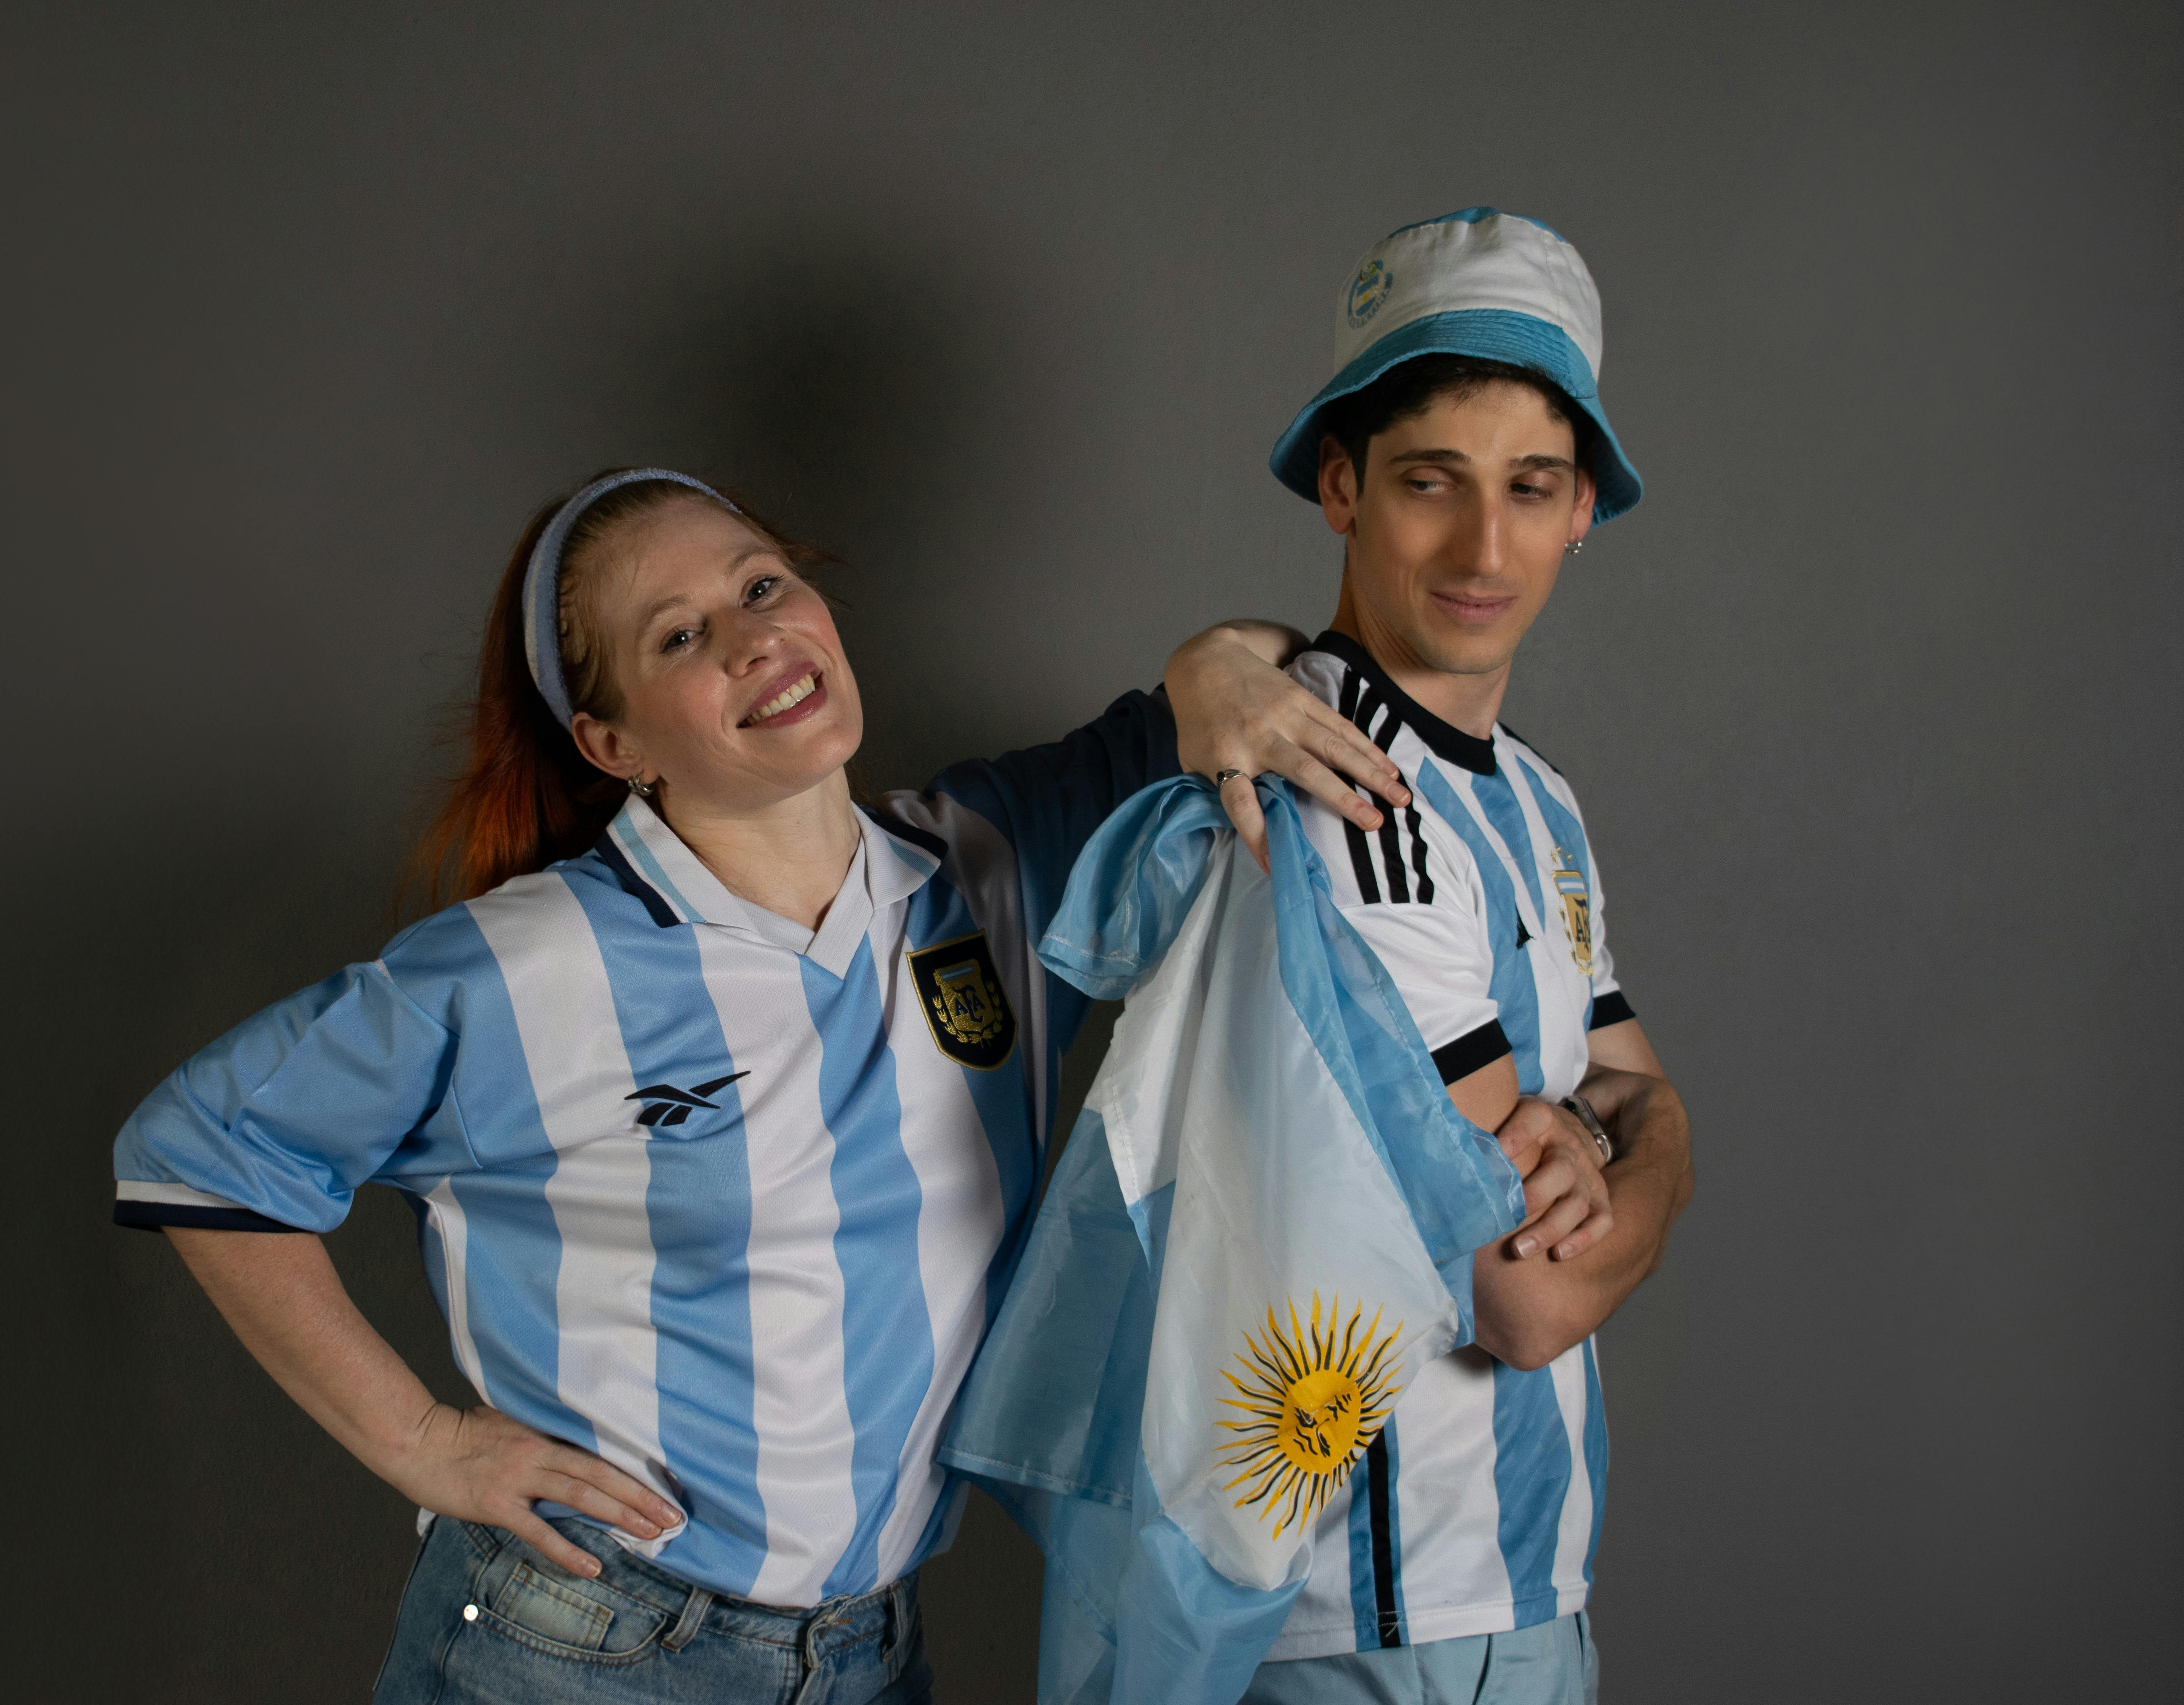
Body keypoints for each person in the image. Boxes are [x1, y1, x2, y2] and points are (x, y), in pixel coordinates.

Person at [109, 465, 1413, 1705]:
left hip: (867, 1652)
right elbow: (201, 1150)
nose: (749, 640)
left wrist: (1221, 661)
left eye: (761, 587)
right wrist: (424, 1443)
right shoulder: (527, 967)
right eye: (676, 637)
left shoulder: (992, 861)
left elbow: (1236, 680)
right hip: (581, 1650)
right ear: (610, 741)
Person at [942, 209, 1695, 1705]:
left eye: (1529, 486)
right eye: (1432, 483)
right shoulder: (1348, 803)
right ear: (1343, 488)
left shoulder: (1535, 798)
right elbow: (1530, 1298)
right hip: (1374, 1618)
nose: (1486, 546)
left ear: (1580, 511)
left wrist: (1639, 1140)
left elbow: (1630, 1079)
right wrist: (1651, 1155)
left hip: (1522, 1588)